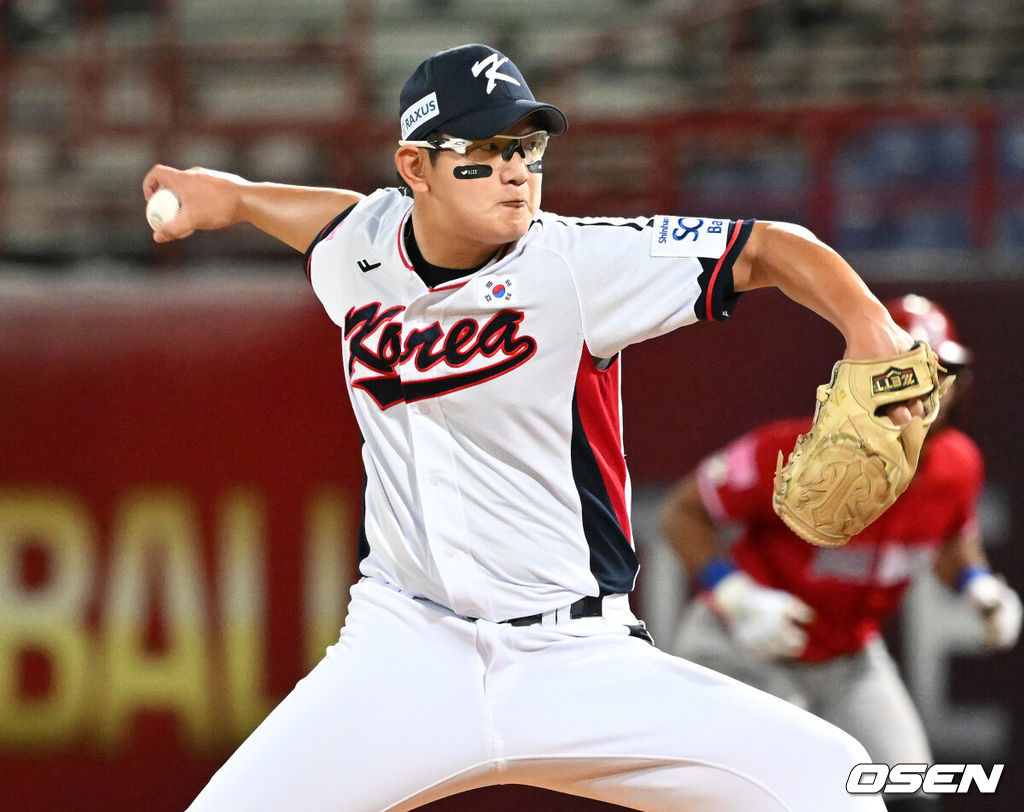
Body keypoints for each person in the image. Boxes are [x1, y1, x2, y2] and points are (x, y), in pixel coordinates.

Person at [140, 42, 916, 811]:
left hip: (574, 659)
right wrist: (232, 197)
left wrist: (870, 330)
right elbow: (322, 220)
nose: (516, 170)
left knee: (832, 778)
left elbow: (770, 249)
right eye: (483, 150)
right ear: (415, 170)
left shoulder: (577, 266)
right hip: (404, 650)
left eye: (528, 146)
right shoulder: (362, 248)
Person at [659, 294, 1021, 811]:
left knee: (912, 799)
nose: (931, 392)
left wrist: (977, 584)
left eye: (940, 373)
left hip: (850, 659)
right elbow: (682, 513)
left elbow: (949, 538)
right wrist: (735, 596)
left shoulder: (957, 465)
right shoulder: (796, 452)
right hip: (746, 651)